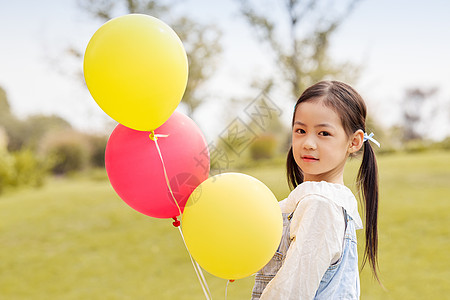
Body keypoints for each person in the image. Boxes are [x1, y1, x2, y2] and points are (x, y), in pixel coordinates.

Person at [251, 80, 381, 299]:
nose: (308, 143)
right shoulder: (314, 201)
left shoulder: (321, 205)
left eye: (323, 133)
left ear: (354, 142)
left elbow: (290, 293)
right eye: (300, 130)